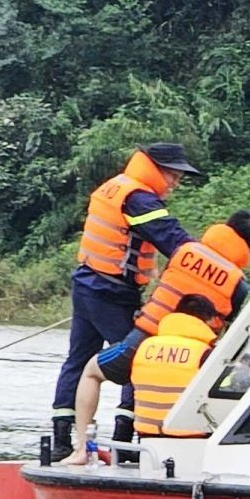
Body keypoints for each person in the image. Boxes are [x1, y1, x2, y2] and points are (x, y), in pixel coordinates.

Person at [58, 210, 250, 464]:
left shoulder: (184, 250)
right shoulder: (238, 284)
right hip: (196, 352)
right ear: (249, 247)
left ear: (225, 226)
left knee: (90, 371)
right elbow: (229, 331)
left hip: (147, 338)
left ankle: (81, 450)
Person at [50, 143, 203, 461]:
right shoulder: (139, 198)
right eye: (173, 175)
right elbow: (172, 238)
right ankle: (126, 441)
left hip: (87, 283)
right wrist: (210, 263)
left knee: (78, 361)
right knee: (136, 359)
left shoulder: (115, 187)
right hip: (110, 292)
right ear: (154, 168)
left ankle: (62, 441)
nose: (175, 183)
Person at [130, 295, 222, 438]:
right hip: (190, 438)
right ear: (206, 321)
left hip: (147, 436)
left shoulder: (145, 346)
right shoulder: (204, 353)